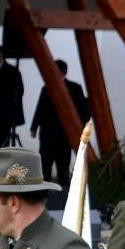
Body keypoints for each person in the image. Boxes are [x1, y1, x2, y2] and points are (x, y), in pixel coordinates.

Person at [29, 59, 90, 188]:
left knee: (63, 167)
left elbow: (83, 109)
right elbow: (40, 108)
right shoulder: (47, 88)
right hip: (47, 134)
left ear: (62, 72)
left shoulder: (75, 88)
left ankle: (65, 195)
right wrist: (34, 127)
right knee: (45, 166)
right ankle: (43, 193)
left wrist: (81, 128)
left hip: (65, 134)